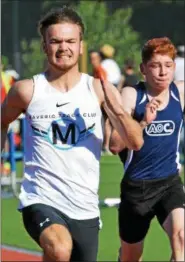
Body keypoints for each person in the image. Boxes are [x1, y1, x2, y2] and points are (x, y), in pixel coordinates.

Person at [1, 7, 144, 262]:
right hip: (40, 197)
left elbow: (132, 142)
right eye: (54, 41)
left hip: (84, 206)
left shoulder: (99, 90)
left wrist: (118, 112)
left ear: (80, 47)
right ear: (45, 46)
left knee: (65, 254)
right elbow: (2, 122)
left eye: (70, 41)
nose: (62, 47)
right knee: (59, 248)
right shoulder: (27, 91)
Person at [109, 37, 184, 261]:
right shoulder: (132, 95)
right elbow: (114, 145)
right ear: (143, 68)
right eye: (155, 65)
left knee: (181, 237)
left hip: (169, 183)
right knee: (132, 257)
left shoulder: (179, 93)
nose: (163, 72)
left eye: (168, 65)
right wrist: (142, 123)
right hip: (137, 189)